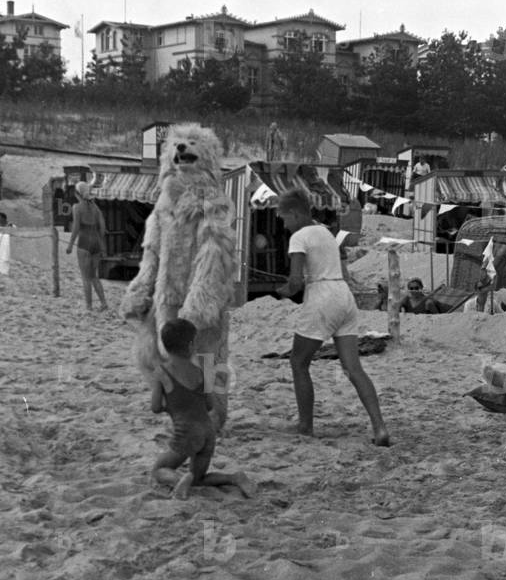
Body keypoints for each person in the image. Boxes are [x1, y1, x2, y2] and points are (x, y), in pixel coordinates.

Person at [275, 187, 390, 445]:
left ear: (294, 214)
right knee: (354, 368)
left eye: (284, 218)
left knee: (298, 362)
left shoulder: (299, 237)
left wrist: (282, 292)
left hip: (321, 298)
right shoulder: (325, 231)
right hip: (343, 296)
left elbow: (295, 282)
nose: (284, 224)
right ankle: (380, 427)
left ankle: (305, 425)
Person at [151, 318, 254, 498]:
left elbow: (156, 407)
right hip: (208, 432)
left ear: (164, 346)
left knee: (159, 470)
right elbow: (209, 405)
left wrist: (173, 406)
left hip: (186, 434)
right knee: (198, 479)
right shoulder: (201, 372)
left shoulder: (162, 372)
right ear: (191, 345)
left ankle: (179, 479)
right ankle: (234, 478)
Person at [66, 181, 108, 311]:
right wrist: (102, 245)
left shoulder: (77, 207)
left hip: (84, 243)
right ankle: (103, 303)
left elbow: (76, 228)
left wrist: (70, 245)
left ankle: (89, 306)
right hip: (96, 243)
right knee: (94, 276)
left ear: (77, 194)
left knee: (86, 278)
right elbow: (102, 228)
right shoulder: (95, 208)